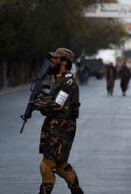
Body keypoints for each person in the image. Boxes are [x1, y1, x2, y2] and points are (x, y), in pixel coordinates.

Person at [33, 48, 83, 194]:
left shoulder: (68, 82)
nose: (52, 61)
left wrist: (37, 104)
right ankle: (76, 190)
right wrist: (42, 98)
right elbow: (54, 99)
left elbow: (58, 104)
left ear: (64, 61)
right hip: (55, 127)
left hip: (62, 127)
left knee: (47, 164)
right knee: (61, 164)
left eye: (56, 58)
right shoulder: (60, 80)